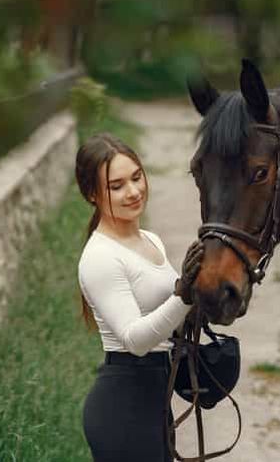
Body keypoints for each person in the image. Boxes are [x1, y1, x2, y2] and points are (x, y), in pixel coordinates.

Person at [74, 132, 203, 462]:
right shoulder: (100, 257)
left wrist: (206, 290)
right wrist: (184, 295)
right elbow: (136, 340)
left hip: (154, 401)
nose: (133, 191)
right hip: (123, 409)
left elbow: (173, 317)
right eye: (116, 186)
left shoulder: (151, 240)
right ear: (92, 194)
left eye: (136, 177)